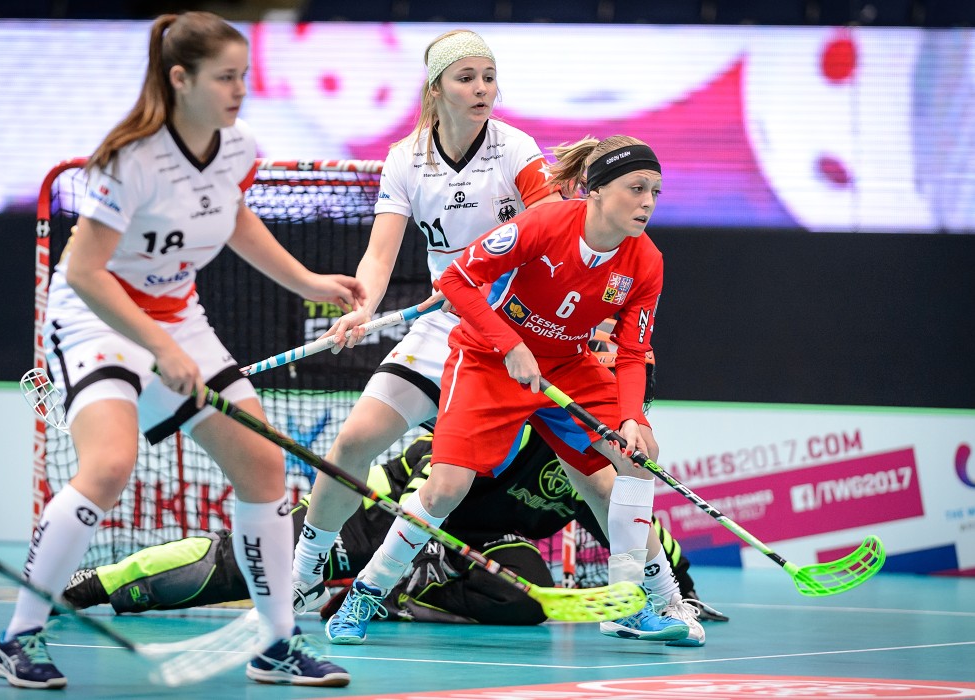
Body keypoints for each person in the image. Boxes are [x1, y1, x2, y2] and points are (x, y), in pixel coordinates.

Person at [0, 12, 362, 690]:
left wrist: (308, 281)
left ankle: (276, 643)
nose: (240, 89)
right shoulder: (128, 159)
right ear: (180, 78)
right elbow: (83, 272)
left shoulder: (237, 146)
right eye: (226, 77)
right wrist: (159, 347)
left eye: (245, 76)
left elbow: (236, 218)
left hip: (177, 320)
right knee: (107, 466)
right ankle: (19, 635)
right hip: (98, 320)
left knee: (263, 467)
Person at [325, 135, 706, 648]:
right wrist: (508, 345)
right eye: (636, 188)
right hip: (487, 360)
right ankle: (365, 595)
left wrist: (633, 416)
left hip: (569, 364)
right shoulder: (544, 224)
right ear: (594, 189)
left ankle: (630, 603)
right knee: (445, 488)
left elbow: (632, 352)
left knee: (637, 454)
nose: (647, 203)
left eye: (655, 192)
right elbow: (458, 282)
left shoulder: (647, 262)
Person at [290, 28, 562, 624]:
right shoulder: (405, 158)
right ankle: (305, 573)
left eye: (488, 77)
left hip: (513, 334)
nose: (482, 88)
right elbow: (381, 254)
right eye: (466, 78)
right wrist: (363, 307)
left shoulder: (517, 150)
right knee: (353, 443)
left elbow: (552, 227)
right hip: (443, 327)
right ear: (435, 90)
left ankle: (651, 594)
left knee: (567, 470)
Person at [61, 428, 729, 625]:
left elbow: (644, 533)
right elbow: (426, 476)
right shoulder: (518, 422)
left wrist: (683, 592)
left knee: (525, 599)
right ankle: (95, 584)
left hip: (471, 545)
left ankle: (411, 594)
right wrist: (403, 543)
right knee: (249, 568)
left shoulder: (597, 459)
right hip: (384, 518)